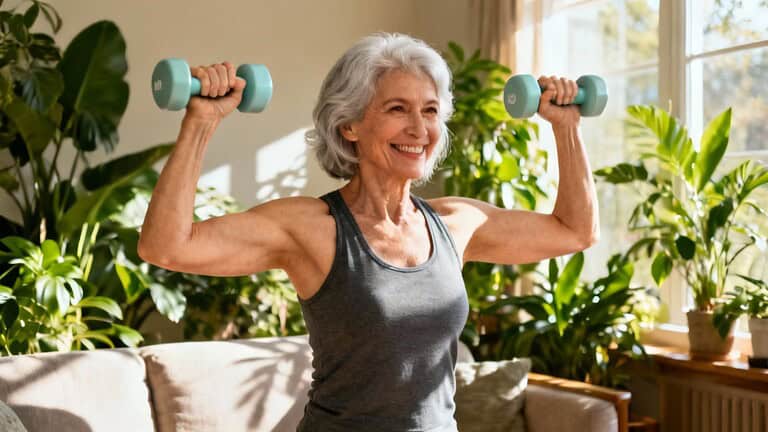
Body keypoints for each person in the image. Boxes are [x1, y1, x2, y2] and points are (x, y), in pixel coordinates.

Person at [138, 33, 599, 432]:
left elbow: (574, 231)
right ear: (350, 124)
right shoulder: (312, 228)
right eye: (398, 109)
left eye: (431, 111)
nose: (419, 128)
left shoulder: (455, 223)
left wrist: (566, 127)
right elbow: (167, 246)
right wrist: (201, 122)